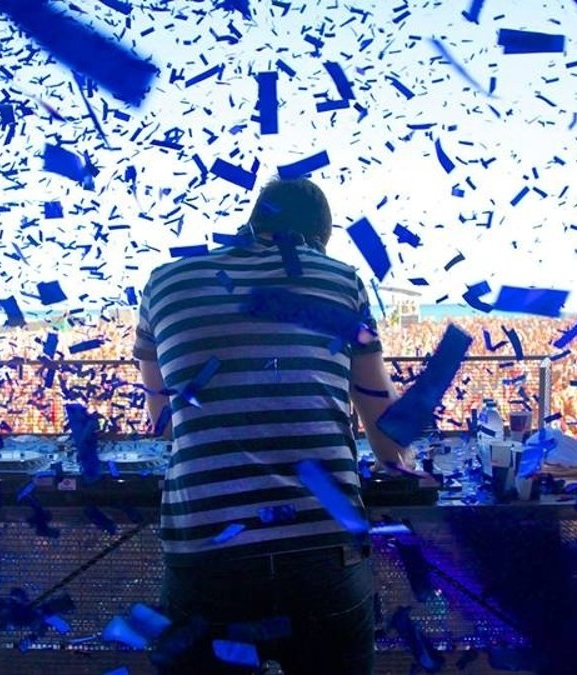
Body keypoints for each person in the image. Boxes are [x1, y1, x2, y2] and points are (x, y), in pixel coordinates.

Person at [132, 178, 414, 674]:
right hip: (322, 552)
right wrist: (404, 457)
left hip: (206, 554)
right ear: (318, 240)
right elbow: (387, 438)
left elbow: (166, 425)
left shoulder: (164, 283)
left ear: (255, 221)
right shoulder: (340, 281)